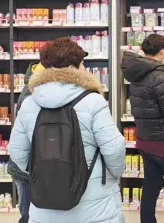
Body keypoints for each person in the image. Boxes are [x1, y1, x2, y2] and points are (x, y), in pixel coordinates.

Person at [8, 37, 125, 223]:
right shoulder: (93, 101)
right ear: (73, 68)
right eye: (83, 64)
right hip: (93, 206)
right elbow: (114, 148)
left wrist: (44, 172)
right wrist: (110, 176)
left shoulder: (30, 102)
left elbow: (16, 150)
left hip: (44, 204)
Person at [121, 34, 164, 223]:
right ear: (162, 52)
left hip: (144, 139)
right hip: (163, 141)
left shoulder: (136, 73)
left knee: (150, 186)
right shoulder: (159, 75)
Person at [7, 61, 45, 223]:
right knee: (28, 216)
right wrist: (29, 169)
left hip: (32, 168)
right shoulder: (32, 95)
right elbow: (18, 146)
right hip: (27, 171)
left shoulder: (35, 89)